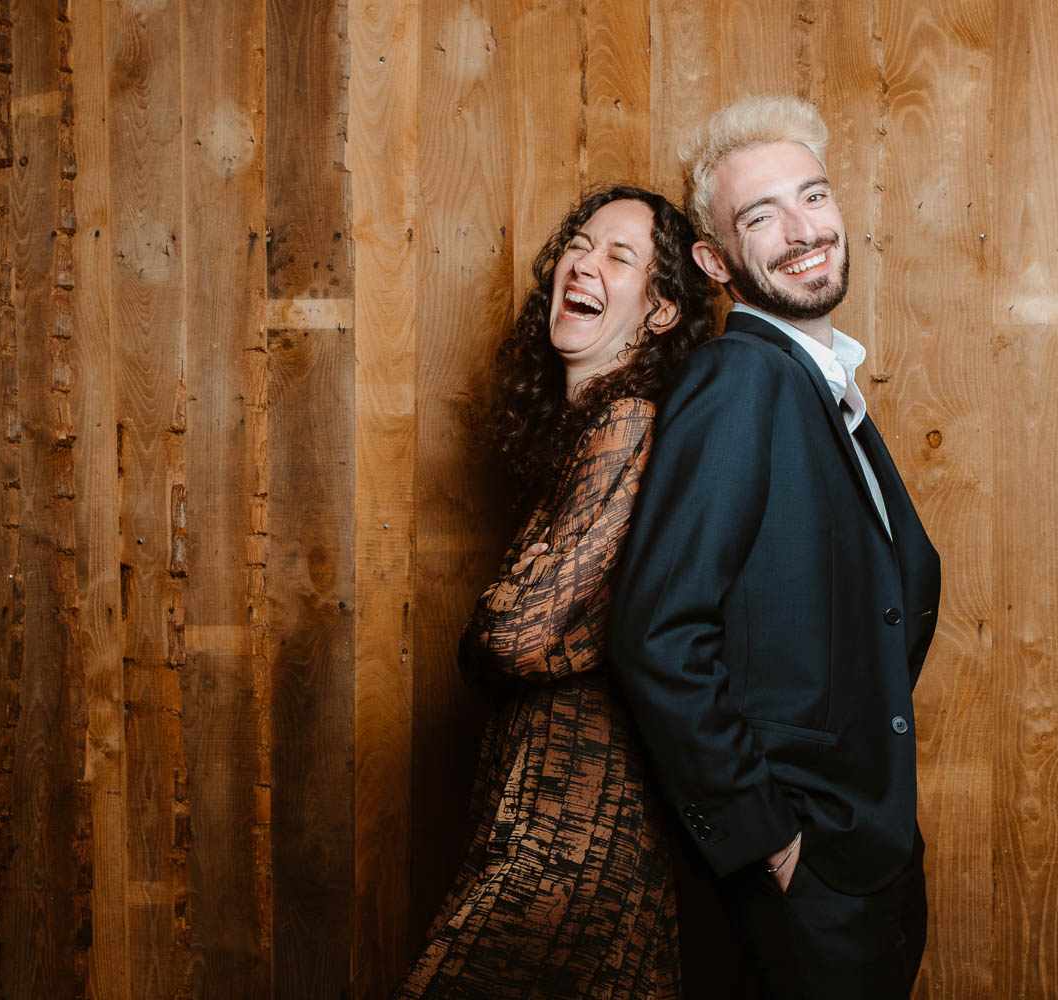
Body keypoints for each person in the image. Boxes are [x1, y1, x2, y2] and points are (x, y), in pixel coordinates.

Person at [608, 96, 942, 999]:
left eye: (814, 197)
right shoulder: (740, 378)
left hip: (868, 852)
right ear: (717, 261)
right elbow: (657, 634)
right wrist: (771, 840)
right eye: (761, 216)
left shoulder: (816, 383)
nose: (803, 231)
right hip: (806, 868)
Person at [392, 186, 715, 999]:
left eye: (620, 255)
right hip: (544, 805)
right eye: (580, 241)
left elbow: (510, 635)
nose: (584, 261)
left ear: (661, 314)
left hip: (573, 824)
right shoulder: (584, 434)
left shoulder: (626, 422)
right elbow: (532, 631)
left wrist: (497, 627)